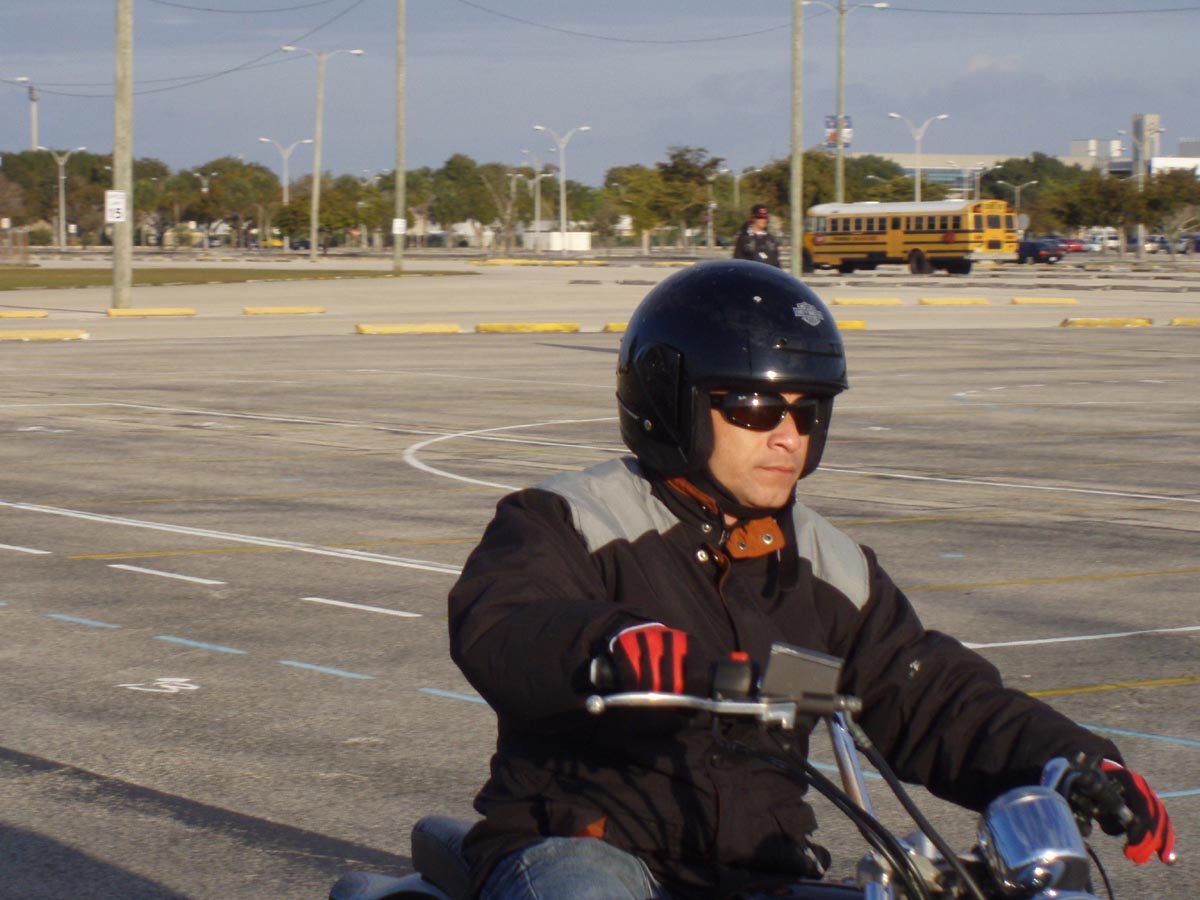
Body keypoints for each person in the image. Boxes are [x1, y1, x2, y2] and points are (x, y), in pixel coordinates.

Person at [448, 260, 1174, 900]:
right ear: (671, 401)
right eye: (755, 408)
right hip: (586, 846)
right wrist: (608, 643)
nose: (788, 436)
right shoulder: (570, 519)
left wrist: (1072, 760)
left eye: (808, 410)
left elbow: (928, 694)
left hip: (757, 866)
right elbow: (501, 621)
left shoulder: (830, 567)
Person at [732, 203, 781, 268]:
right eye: (760, 217)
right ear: (753, 218)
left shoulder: (770, 239)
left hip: (768, 273)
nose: (763, 220)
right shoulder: (744, 238)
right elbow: (738, 262)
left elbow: (776, 262)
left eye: (765, 217)